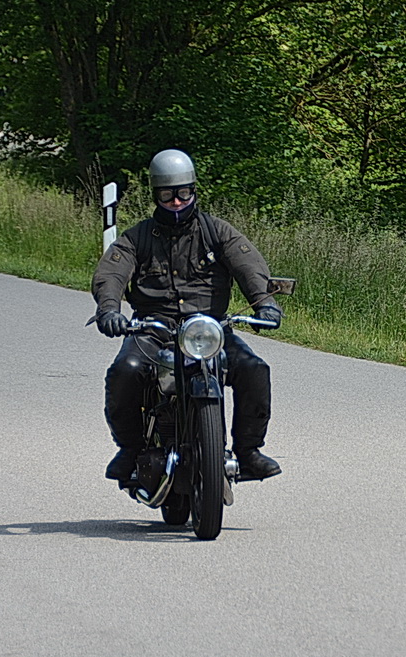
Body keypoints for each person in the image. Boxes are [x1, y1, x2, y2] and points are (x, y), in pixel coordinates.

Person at [91, 148, 285, 483]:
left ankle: (249, 451)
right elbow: (112, 273)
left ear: (193, 191)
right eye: (167, 194)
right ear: (156, 195)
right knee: (126, 370)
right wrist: (109, 309)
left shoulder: (217, 232)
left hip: (208, 330)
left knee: (254, 368)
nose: (177, 202)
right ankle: (130, 449)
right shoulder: (136, 238)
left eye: (183, 193)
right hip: (154, 329)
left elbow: (248, 265)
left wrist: (265, 303)